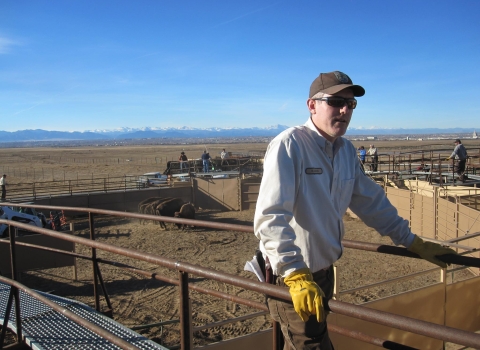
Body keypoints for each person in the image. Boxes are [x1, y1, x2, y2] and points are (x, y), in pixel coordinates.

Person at [253, 70, 457, 350]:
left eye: (351, 104)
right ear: (312, 105)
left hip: (322, 275)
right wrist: (294, 273)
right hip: (291, 276)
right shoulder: (290, 145)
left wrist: (411, 241)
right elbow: (271, 216)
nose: (345, 110)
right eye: (336, 102)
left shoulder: (346, 152)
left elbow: (371, 203)